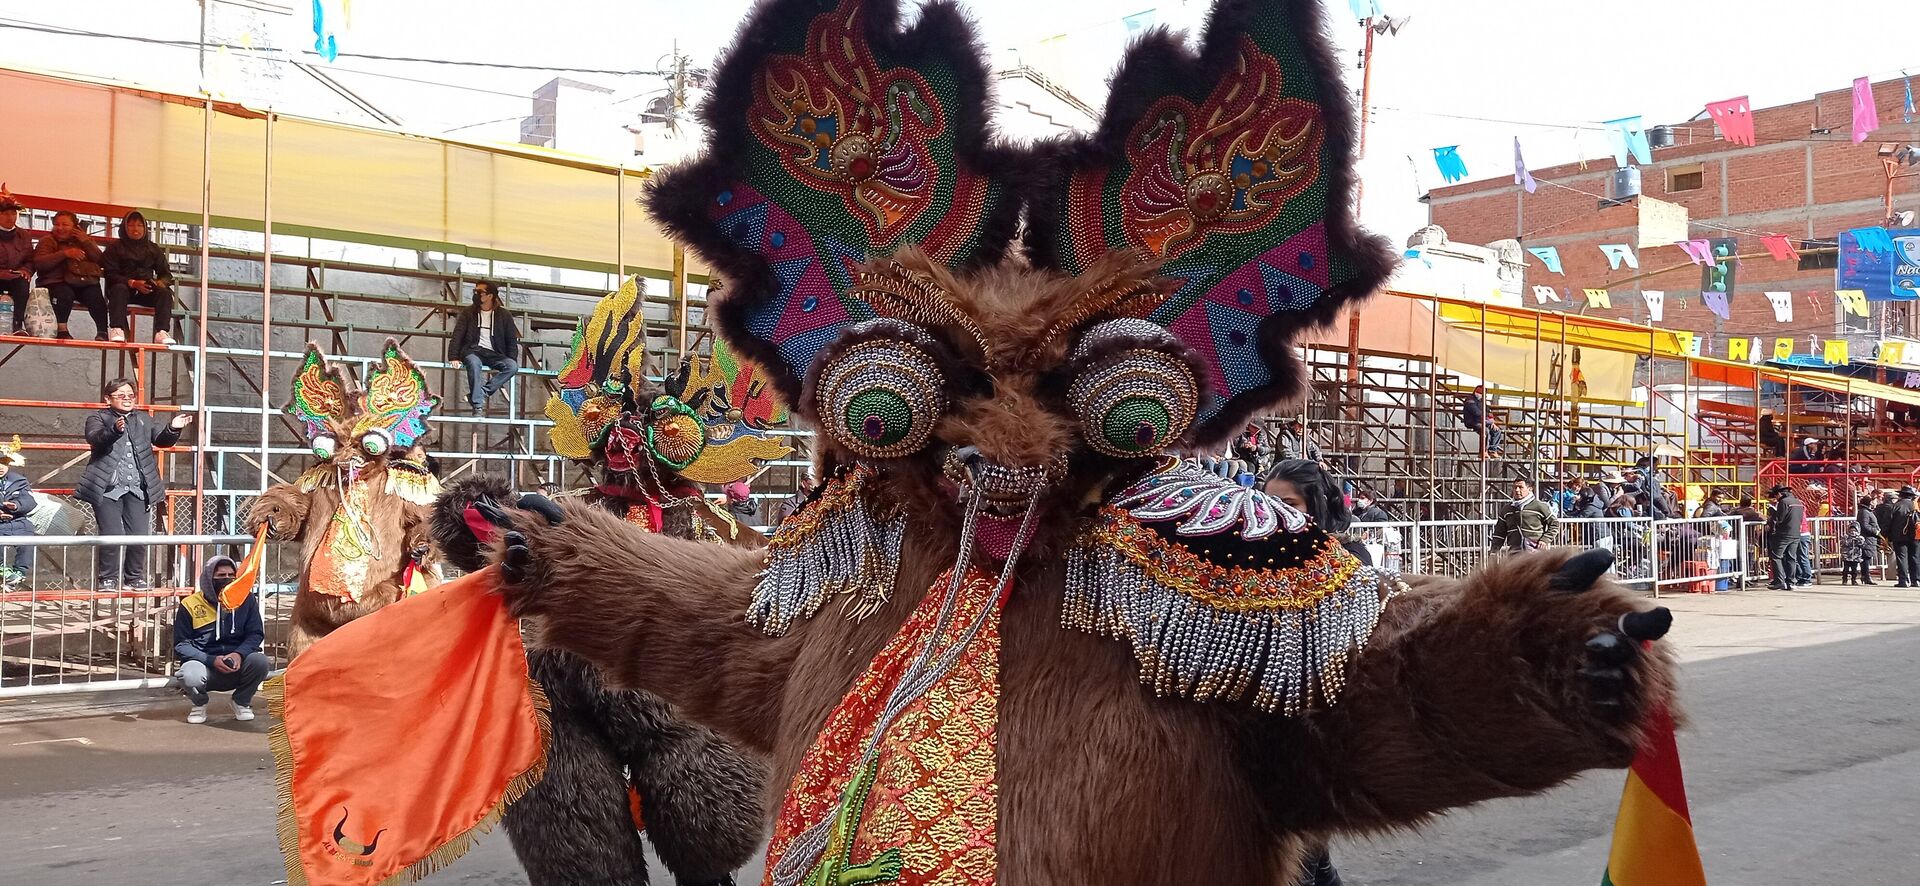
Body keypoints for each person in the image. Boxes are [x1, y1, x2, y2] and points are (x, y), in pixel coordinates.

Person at [79, 378, 190, 588]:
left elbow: (161, 440)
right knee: (111, 535)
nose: (127, 399)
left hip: (139, 487)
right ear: (107, 399)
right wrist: (115, 430)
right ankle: (108, 578)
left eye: (130, 395)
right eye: (121, 395)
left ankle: (134, 577)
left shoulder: (143, 419)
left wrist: (173, 428)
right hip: (108, 487)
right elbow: (95, 438)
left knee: (139, 535)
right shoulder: (98, 417)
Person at [172, 555, 270, 724]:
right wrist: (210, 660)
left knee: (260, 662)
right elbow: (181, 644)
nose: (227, 580)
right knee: (189, 674)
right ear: (209, 578)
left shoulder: (246, 600)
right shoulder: (189, 604)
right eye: (220, 576)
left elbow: (255, 634)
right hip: (204, 665)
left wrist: (239, 654)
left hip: (237, 662)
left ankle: (241, 701)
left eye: (231, 576)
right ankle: (199, 703)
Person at [100, 210, 176, 344]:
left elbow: (166, 274)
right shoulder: (115, 248)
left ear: (145, 228)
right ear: (124, 227)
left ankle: (161, 331)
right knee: (119, 289)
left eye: (140, 225)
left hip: (146, 290)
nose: (136, 229)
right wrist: (132, 283)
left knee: (165, 293)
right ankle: (117, 328)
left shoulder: (153, 248)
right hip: (123, 289)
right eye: (131, 225)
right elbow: (110, 274)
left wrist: (160, 282)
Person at [31, 210, 108, 340]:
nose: (60, 228)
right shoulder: (47, 240)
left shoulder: (83, 240)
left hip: (82, 281)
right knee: (64, 293)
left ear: (74, 226)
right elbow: (40, 263)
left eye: (65, 225)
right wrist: (65, 254)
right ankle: (62, 329)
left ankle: (103, 331)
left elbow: (101, 260)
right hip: (56, 282)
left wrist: (86, 242)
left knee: (95, 294)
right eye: (57, 224)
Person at [450, 281, 520, 415]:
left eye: (480, 292)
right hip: (473, 350)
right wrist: (454, 356)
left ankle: (479, 394)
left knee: (512, 366)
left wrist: (511, 359)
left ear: (490, 296)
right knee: (473, 363)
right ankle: (477, 405)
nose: (476, 294)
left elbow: (511, 340)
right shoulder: (468, 312)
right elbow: (457, 335)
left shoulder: (504, 315)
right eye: (475, 291)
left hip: (495, 354)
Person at [0, 436, 36, 584]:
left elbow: (30, 501)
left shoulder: (18, 480)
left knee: (28, 534)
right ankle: (2, 569)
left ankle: (19, 571)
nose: (1, 466)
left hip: (17, 520)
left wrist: (17, 506)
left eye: (3, 462)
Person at [1491, 477, 1558, 553]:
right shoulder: (1507, 509)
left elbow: (1554, 524)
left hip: (1536, 553)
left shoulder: (1539, 506)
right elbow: (1499, 533)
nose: (1517, 490)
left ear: (1530, 488)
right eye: (1515, 487)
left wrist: (1545, 539)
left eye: (1520, 487)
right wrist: (1494, 551)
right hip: (1515, 553)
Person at [0, 185, 33, 333]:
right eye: (5, 214)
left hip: (14, 276)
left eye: (13, 214)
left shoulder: (24, 235)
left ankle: (17, 324)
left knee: (22, 283)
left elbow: (30, 259)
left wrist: (26, 270)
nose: (10, 217)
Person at [1765, 485, 1805, 590]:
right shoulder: (1798, 502)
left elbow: (1779, 519)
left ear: (1779, 494)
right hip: (1796, 534)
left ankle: (1779, 581)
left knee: (1776, 557)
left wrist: (1772, 512)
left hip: (1783, 534)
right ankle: (1791, 582)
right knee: (1791, 558)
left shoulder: (1783, 502)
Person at [1885, 486, 1920, 588]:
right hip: (1916, 536)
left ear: (1901, 495)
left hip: (1899, 536)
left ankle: (1903, 580)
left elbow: (1888, 522)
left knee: (1902, 558)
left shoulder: (1896, 506)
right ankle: (1916, 580)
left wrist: (1886, 535)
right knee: (1915, 557)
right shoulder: (1916, 506)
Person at [1856, 488, 1883, 586]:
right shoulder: (1864, 512)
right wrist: (1875, 531)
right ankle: (1866, 576)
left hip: (1870, 539)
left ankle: (1866, 576)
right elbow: (1865, 525)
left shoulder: (1868, 512)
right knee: (1865, 558)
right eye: (1875, 501)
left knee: (1867, 557)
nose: (1876, 502)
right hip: (1867, 538)